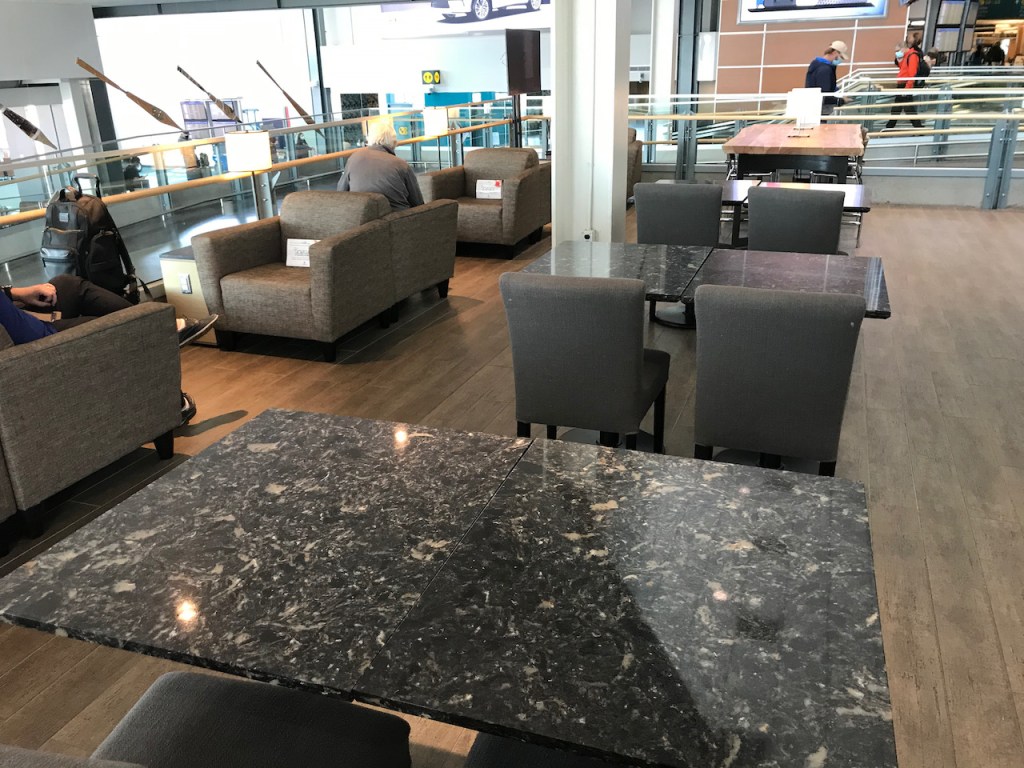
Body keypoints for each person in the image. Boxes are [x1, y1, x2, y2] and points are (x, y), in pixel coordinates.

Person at [0, 274, 217, 424]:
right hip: (31, 340)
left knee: (68, 285)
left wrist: (16, 293)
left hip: (23, 317)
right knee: (115, 329)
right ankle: (168, 396)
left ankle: (161, 328)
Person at [337, 122, 424, 211]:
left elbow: (341, 191)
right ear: (394, 142)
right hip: (396, 216)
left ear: (369, 138)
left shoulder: (354, 158)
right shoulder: (401, 165)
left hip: (361, 214)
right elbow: (417, 202)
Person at [885, 39, 925, 130]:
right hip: (904, 85)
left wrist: (907, 88)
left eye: (897, 51)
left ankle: (890, 127)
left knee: (903, 108)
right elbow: (904, 69)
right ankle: (918, 127)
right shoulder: (907, 56)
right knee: (903, 107)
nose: (896, 53)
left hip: (905, 85)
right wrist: (899, 60)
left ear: (903, 49)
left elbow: (912, 74)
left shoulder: (912, 56)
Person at [804, 40, 849, 115]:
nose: (841, 60)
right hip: (820, 110)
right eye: (841, 57)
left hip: (814, 107)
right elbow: (825, 95)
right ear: (835, 53)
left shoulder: (817, 64)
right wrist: (841, 100)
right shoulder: (825, 70)